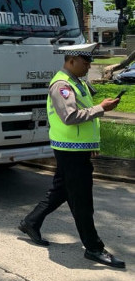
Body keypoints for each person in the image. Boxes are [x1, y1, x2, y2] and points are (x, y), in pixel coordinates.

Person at [19, 43, 125, 268]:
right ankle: (94, 248)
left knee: (62, 190)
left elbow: (85, 114)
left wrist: (91, 143)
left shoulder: (78, 82)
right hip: (69, 150)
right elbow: (70, 117)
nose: (89, 66)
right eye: (85, 62)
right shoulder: (62, 85)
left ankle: (31, 222)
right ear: (71, 61)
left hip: (77, 147)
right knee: (82, 200)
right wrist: (101, 108)